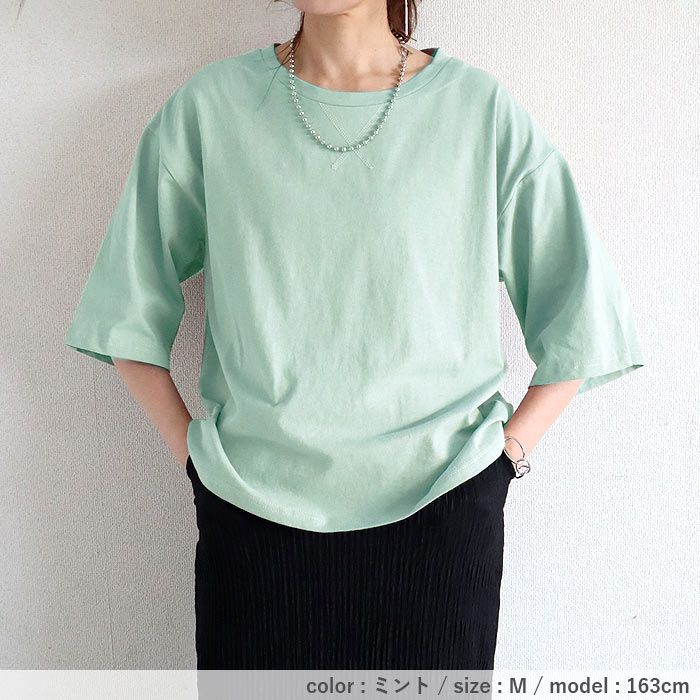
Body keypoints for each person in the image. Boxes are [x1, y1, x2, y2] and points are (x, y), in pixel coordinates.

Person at [64, 0, 645, 672]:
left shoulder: (477, 112)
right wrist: (197, 460)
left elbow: (580, 315)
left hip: (443, 515)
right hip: (251, 520)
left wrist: (502, 460)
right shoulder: (211, 108)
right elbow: (126, 307)